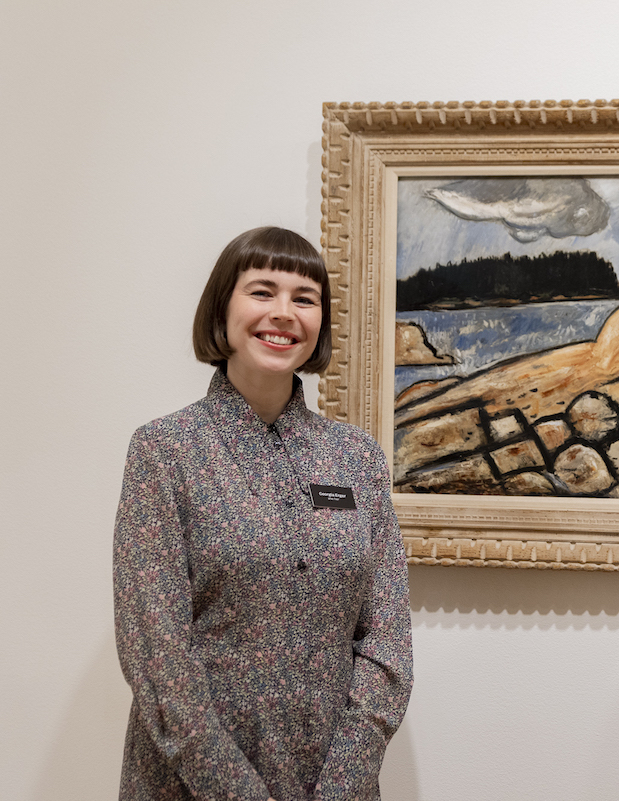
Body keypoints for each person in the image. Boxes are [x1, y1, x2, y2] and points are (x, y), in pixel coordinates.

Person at [113, 226, 413, 801]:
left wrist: (343, 784)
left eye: (305, 298)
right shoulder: (165, 451)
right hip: (192, 781)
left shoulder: (357, 458)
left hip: (333, 778)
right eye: (262, 291)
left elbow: (388, 642)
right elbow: (157, 657)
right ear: (221, 307)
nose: (284, 313)